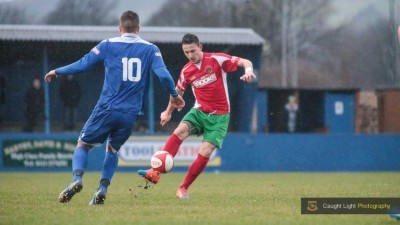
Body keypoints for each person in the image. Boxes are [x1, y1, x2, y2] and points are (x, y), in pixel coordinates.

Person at [44, 11, 184, 205]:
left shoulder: (108, 45)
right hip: (130, 114)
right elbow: (165, 77)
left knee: (83, 145)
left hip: (107, 108)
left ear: (120, 28)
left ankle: (77, 179)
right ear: (138, 28)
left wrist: (58, 71)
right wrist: (175, 96)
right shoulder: (151, 49)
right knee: (112, 150)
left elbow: (83, 65)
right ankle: (102, 189)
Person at [139, 33, 256, 199]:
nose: (190, 55)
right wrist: (168, 112)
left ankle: (183, 188)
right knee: (179, 131)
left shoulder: (217, 60)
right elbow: (176, 93)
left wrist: (249, 71)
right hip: (199, 111)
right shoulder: (186, 71)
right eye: (186, 52)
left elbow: (245, 61)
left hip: (220, 116)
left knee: (206, 151)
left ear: (200, 46)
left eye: (193, 51)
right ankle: (154, 172)